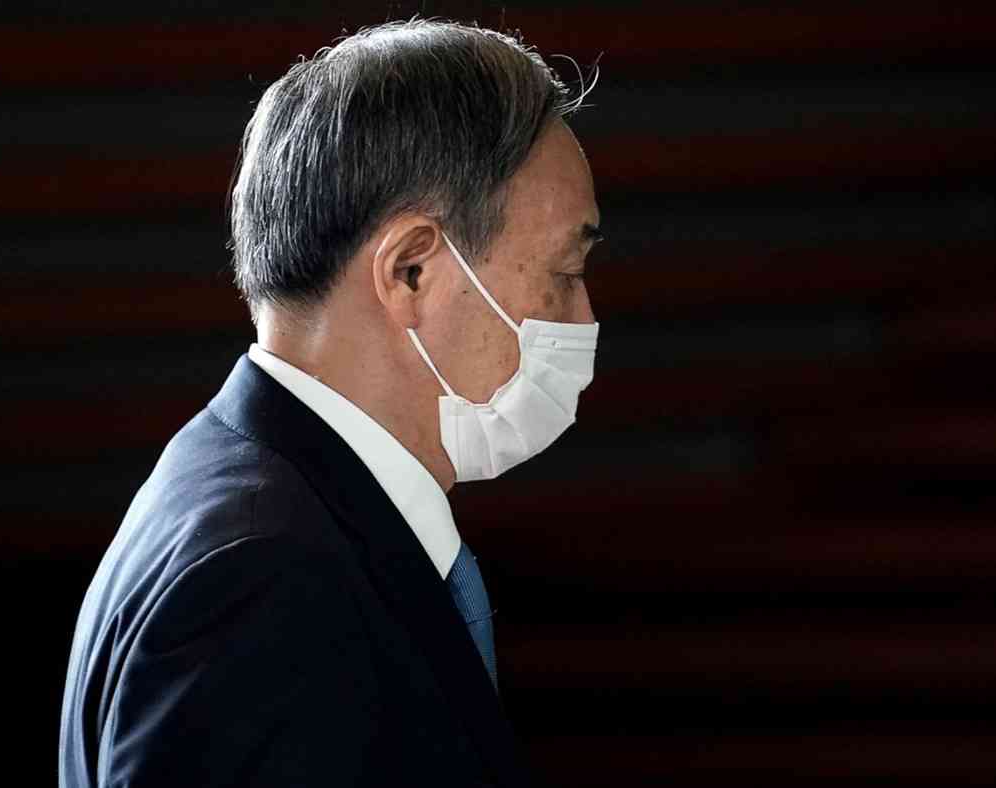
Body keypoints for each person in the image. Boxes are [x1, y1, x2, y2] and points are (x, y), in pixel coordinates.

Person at [59, 19, 602, 787]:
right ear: (411, 271)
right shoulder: (264, 580)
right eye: (565, 273)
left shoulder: (242, 489)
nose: (582, 317)